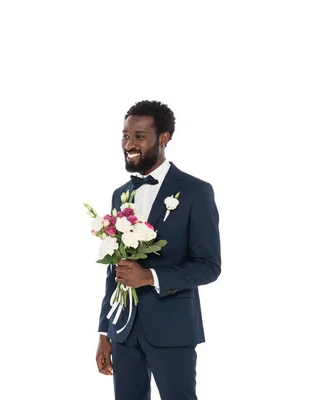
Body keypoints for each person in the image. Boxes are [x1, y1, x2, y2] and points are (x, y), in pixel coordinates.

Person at [95, 100, 221, 399]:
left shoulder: (195, 191)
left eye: (139, 136)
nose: (129, 144)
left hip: (173, 329)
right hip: (123, 331)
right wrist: (105, 331)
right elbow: (116, 269)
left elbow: (209, 265)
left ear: (163, 138)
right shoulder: (121, 194)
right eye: (125, 136)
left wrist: (150, 276)